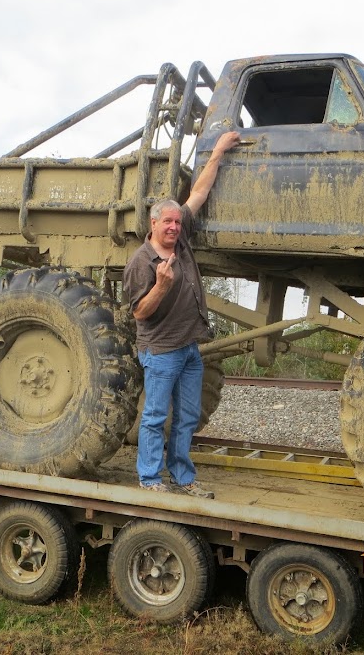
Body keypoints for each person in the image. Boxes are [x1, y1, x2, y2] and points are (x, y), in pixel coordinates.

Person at [123, 131, 241, 498]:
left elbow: (199, 193)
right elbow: (139, 312)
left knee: (187, 417)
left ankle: (183, 477)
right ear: (153, 224)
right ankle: (148, 478)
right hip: (160, 351)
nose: (174, 227)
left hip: (189, 348)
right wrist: (160, 285)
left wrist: (218, 151)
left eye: (177, 222)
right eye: (167, 223)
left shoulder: (181, 239)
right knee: (156, 417)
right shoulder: (142, 262)